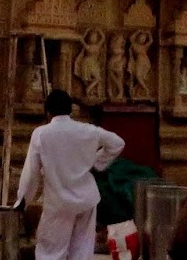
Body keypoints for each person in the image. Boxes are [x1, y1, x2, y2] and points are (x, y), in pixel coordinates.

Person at [15, 90, 126, 260]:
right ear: (70, 110)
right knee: (82, 250)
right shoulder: (88, 130)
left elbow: (31, 173)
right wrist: (96, 162)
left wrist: (23, 200)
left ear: (48, 111)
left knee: (51, 252)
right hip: (86, 199)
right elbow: (118, 143)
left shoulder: (41, 134)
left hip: (58, 203)